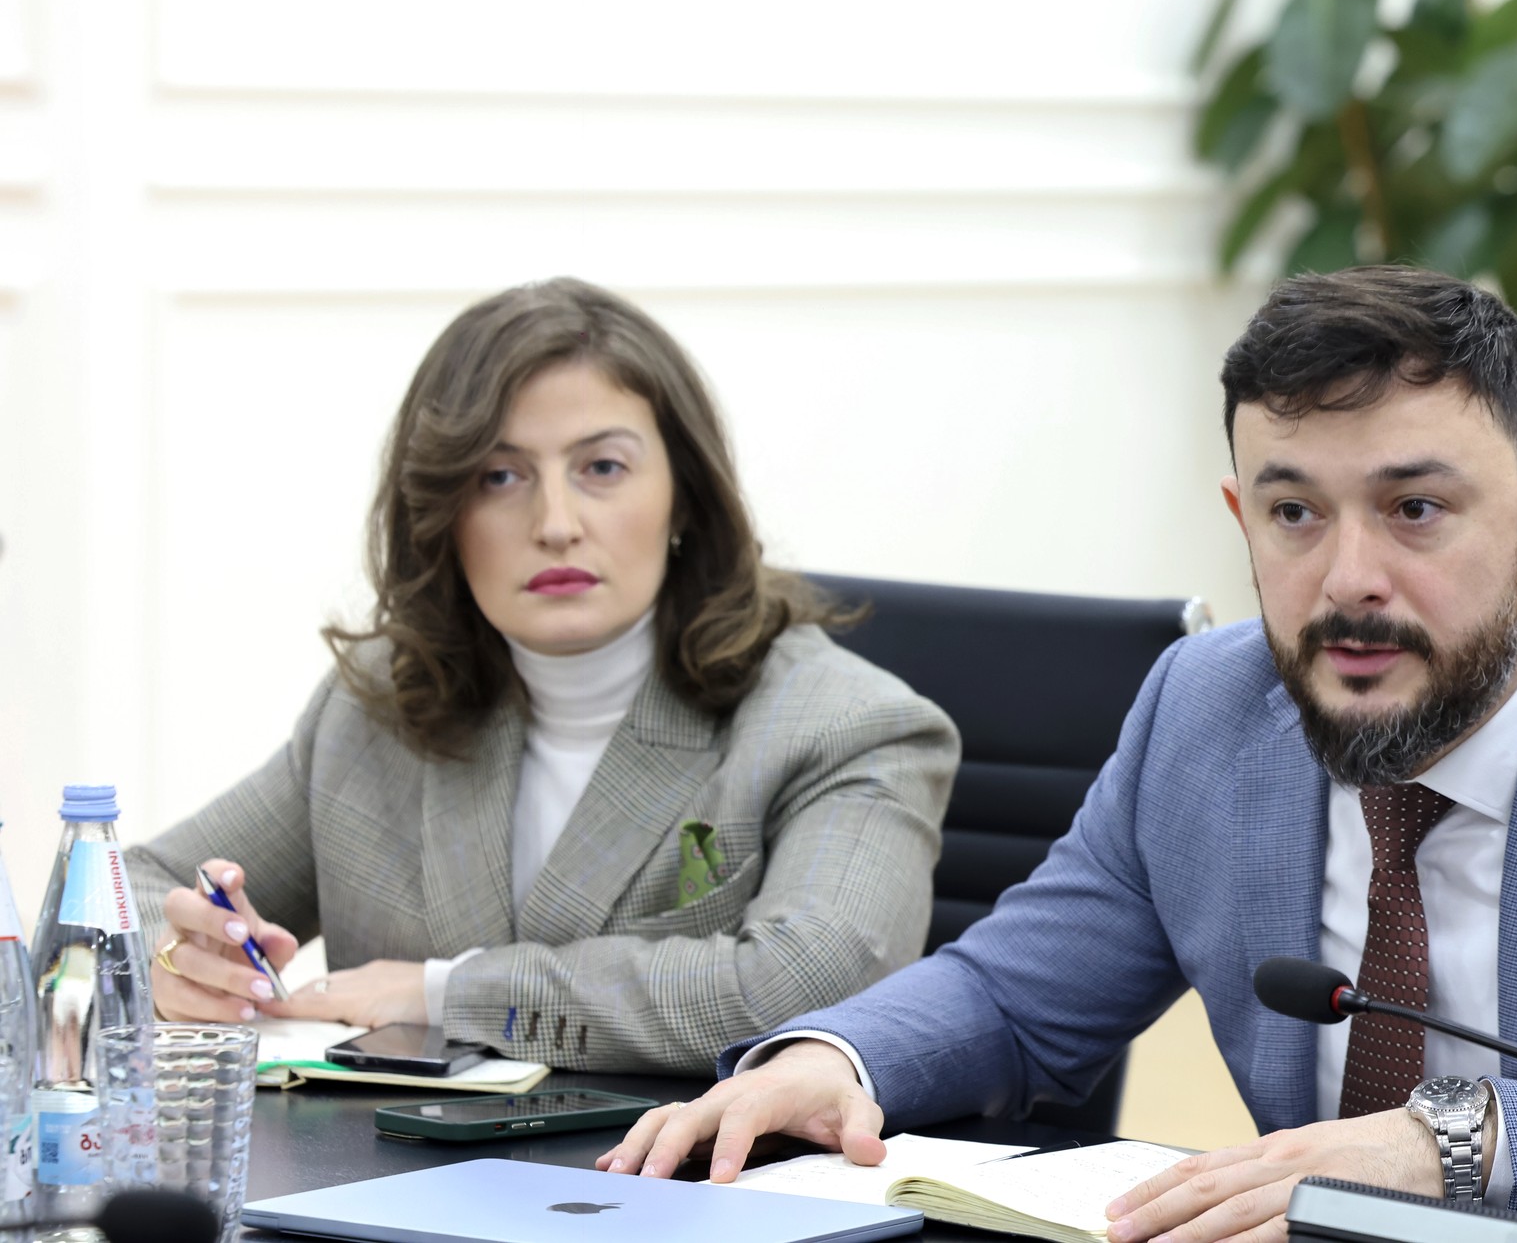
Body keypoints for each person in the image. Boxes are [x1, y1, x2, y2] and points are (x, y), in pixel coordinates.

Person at [598, 266, 1517, 1242]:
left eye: (1414, 509)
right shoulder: (1206, 706)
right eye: (1294, 513)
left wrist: (1457, 1143)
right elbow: (1016, 998)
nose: (1346, 577)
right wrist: (838, 1061)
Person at [129, 277, 960, 1074]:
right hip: (375, 1166)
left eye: (602, 468)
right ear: (441, 517)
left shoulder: (844, 723)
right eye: (499, 477)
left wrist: (445, 995)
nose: (556, 524)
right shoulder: (378, 706)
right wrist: (178, 959)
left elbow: (805, 983)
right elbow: (129, 888)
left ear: (684, 498)